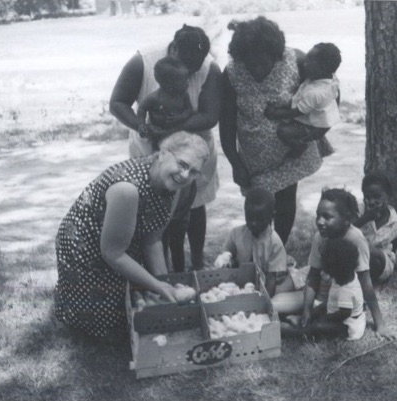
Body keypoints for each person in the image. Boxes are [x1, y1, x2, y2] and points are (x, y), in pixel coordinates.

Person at [54, 132, 209, 337]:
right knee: (119, 323)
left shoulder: (175, 184)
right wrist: (158, 286)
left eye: (193, 172)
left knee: (145, 299)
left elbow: (153, 239)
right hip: (86, 249)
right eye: (182, 164)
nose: (185, 175)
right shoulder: (127, 189)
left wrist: (165, 287)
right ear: (162, 153)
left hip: (121, 240)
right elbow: (113, 254)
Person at [110, 24, 221, 271]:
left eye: (197, 64)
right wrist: (141, 126)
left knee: (194, 205)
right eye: (187, 63)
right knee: (155, 210)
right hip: (152, 150)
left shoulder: (209, 68)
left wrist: (178, 124)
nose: (192, 71)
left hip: (195, 153)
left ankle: (197, 262)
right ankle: (161, 265)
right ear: (173, 50)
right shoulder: (143, 62)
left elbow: (211, 115)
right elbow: (118, 102)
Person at [219, 16, 323, 245]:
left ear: (275, 54)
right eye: (250, 62)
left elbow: (327, 99)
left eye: (263, 62)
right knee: (258, 207)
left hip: (291, 152)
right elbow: (226, 122)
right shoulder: (232, 72)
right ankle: (257, 251)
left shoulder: (296, 60)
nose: (256, 68)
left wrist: (307, 137)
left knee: (285, 203)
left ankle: (278, 251)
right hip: (254, 160)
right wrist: (235, 163)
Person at [298, 188, 393, 339]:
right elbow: (313, 275)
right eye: (318, 215)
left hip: (346, 290)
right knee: (293, 305)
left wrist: (380, 324)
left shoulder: (356, 239)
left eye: (327, 217)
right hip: (329, 287)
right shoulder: (320, 237)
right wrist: (306, 311)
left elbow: (365, 283)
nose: (320, 221)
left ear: (346, 219)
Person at [264, 42, 341, 159]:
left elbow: (297, 112)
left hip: (313, 126)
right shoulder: (329, 79)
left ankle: (299, 146)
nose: (304, 62)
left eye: (309, 60)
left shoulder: (315, 93)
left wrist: (275, 113)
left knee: (283, 131)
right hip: (320, 119)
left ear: (323, 68)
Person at [288, 238, 366, 341]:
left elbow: (344, 314)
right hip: (338, 309)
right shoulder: (345, 275)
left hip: (348, 325)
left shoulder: (346, 290)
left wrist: (326, 318)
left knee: (318, 327)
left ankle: (290, 332)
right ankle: (304, 319)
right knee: (321, 307)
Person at [214, 188, 288, 297]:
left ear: (272, 216)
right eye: (249, 218)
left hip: (263, 286)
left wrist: (264, 300)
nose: (253, 223)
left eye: (259, 219)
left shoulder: (275, 243)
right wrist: (226, 260)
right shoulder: (236, 234)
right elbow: (227, 253)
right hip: (237, 283)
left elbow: (272, 279)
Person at [354, 171, 397, 283]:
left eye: (377, 197)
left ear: (389, 195)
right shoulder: (358, 211)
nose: (372, 202)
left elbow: (394, 244)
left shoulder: (396, 222)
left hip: (379, 262)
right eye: (368, 197)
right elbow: (347, 230)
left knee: (371, 252)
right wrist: (366, 218)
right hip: (355, 258)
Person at [136, 56, 193, 145]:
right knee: (159, 154)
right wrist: (141, 124)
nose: (188, 82)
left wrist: (181, 117)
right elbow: (141, 109)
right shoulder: (154, 97)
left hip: (178, 132)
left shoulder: (184, 96)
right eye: (184, 81)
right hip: (157, 133)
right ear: (169, 86)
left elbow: (189, 110)